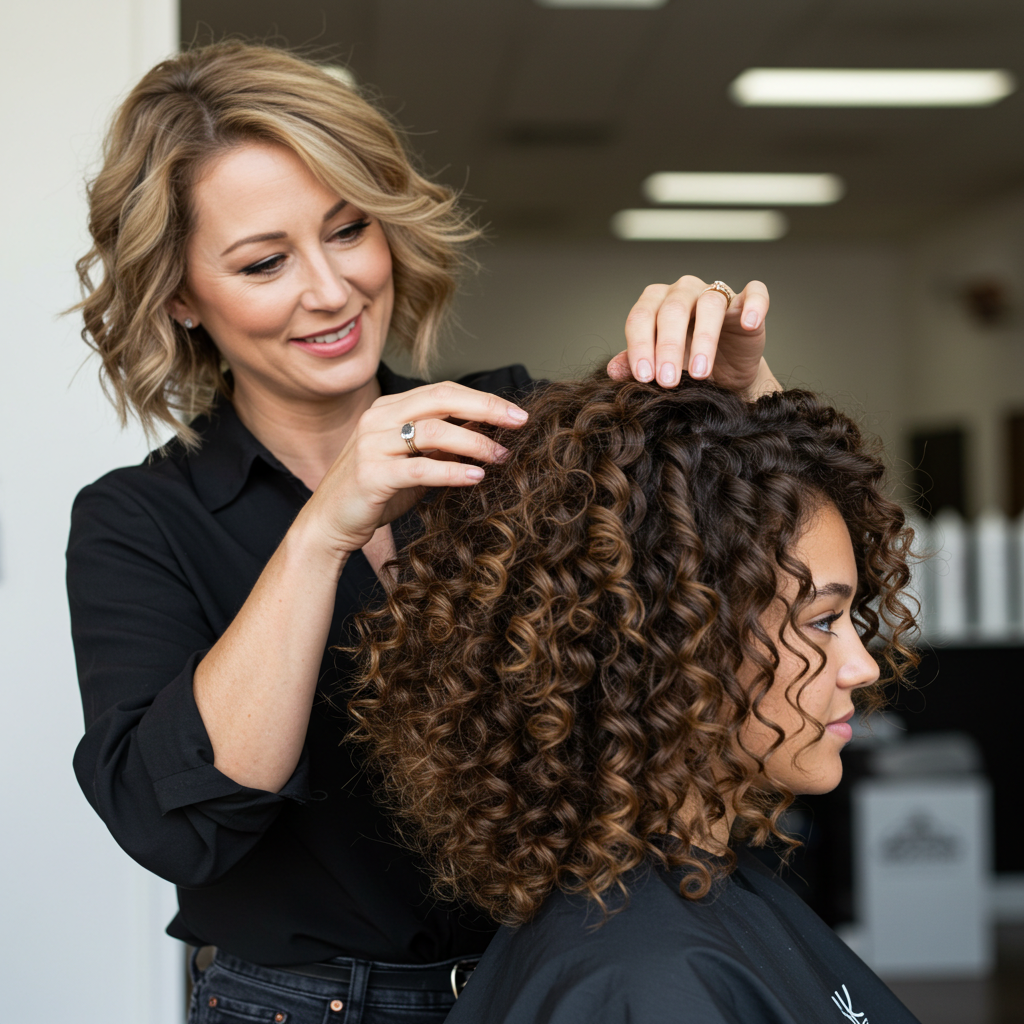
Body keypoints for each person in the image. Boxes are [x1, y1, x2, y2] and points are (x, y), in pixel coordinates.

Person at [67, 40, 777, 1024]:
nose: (331, 288)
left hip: (557, 983)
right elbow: (177, 827)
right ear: (181, 295)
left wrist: (746, 403)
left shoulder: (519, 434)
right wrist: (322, 530)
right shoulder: (139, 520)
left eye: (348, 229)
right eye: (265, 261)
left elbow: (772, 627)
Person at [349, 371, 922, 1023]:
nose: (862, 667)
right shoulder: (642, 986)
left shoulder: (689, 897)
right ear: (674, 645)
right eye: (822, 621)